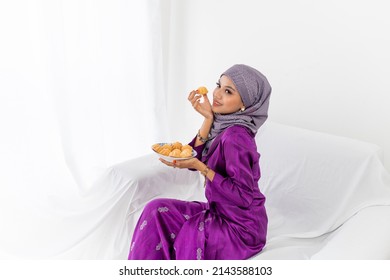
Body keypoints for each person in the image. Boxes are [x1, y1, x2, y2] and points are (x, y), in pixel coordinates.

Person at [128, 64, 271, 260]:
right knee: (156, 211)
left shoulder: (236, 137)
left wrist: (201, 168)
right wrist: (208, 118)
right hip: (219, 211)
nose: (217, 94)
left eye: (228, 91)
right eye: (218, 85)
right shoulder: (222, 126)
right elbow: (196, 155)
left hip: (241, 228)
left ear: (245, 104)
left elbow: (242, 196)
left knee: (191, 234)